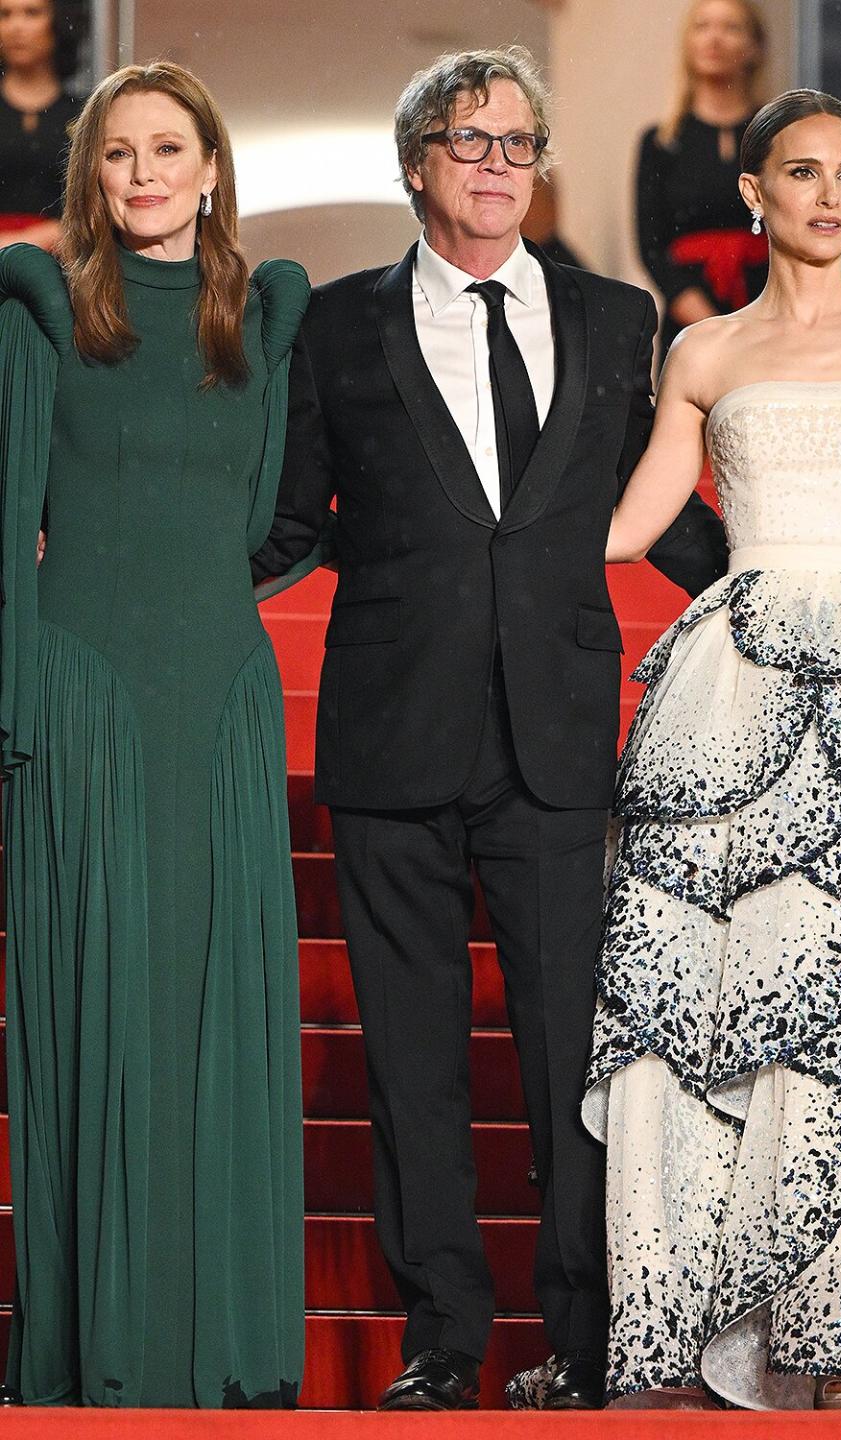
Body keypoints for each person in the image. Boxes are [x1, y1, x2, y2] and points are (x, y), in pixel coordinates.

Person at [251, 44, 727, 1412]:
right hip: (394, 734)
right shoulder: (335, 327)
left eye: (519, 142)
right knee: (410, 1061)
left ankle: (582, 1337)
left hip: (558, 741)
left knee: (572, 1057)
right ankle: (442, 1339)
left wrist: (776, 585)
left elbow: (670, 518)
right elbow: (293, 523)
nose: (497, 166)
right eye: (470, 142)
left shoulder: (612, 313)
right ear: (416, 166)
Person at [583, 88, 841, 1412]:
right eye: (803, 172)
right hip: (732, 692)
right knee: (722, 1004)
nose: (832, 196)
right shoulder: (700, 352)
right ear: (756, 191)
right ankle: (714, 1327)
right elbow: (625, 526)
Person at [0, 60, 309, 1406]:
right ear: (91, 174)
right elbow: (8, 519)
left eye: (166, 149)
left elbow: (257, 523)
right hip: (84, 693)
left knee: (210, 1018)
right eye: (117, 154)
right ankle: (103, 1355)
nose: (142, 175)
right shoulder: (40, 308)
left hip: (219, 697)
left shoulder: (265, 316)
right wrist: (18, 700)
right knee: (99, 1010)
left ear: (211, 166)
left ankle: (223, 1353)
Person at [635, 0, 767, 354]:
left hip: (767, 315)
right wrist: (711, 325)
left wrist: (757, 322)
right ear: (687, 43)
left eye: (731, 27)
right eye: (703, 26)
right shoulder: (662, 141)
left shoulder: (776, 138)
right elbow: (651, 248)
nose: (714, 39)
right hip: (690, 320)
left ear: (755, 47)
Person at [0, 0, 86, 251]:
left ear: (58, 21)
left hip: (62, 262)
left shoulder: (84, 114)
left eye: (32, 12)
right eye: (5, 14)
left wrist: (51, 235)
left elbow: (95, 204)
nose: (16, 27)